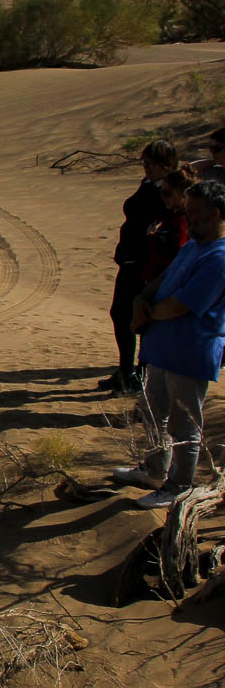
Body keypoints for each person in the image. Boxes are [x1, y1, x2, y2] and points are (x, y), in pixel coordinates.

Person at [113, 179, 225, 509]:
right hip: (162, 347)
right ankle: (153, 469)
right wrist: (140, 302)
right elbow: (163, 280)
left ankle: (179, 484)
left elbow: (184, 304)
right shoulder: (192, 246)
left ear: (215, 213)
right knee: (152, 412)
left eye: (193, 212)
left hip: (191, 350)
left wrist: (146, 315)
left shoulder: (219, 258)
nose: (185, 217)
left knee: (183, 422)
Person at [101, 140, 176, 394]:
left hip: (147, 264)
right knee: (121, 314)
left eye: (151, 165)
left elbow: (176, 220)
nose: (146, 169)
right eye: (144, 164)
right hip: (130, 258)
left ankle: (138, 374)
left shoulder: (168, 190)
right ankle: (126, 370)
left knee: (140, 317)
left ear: (166, 165)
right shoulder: (149, 185)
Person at [142, 169, 196, 283]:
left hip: (168, 282)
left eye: (167, 193)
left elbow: (177, 255)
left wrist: (154, 237)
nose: (163, 197)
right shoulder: (175, 217)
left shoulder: (182, 221)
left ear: (184, 193)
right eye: (161, 192)